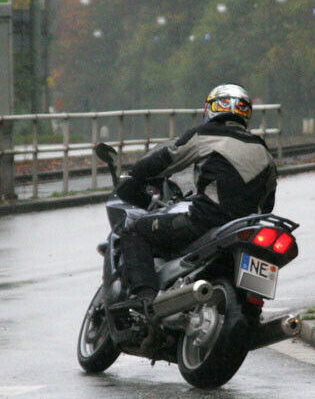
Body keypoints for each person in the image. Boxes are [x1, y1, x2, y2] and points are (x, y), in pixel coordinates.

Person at [114, 83, 278, 311]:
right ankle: (253, 307)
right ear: (246, 112)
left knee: (134, 231)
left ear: (211, 108)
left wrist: (133, 176)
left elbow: (167, 158)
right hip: (248, 227)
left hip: (205, 222)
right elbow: (268, 203)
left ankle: (144, 300)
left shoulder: (207, 134)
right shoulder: (263, 150)